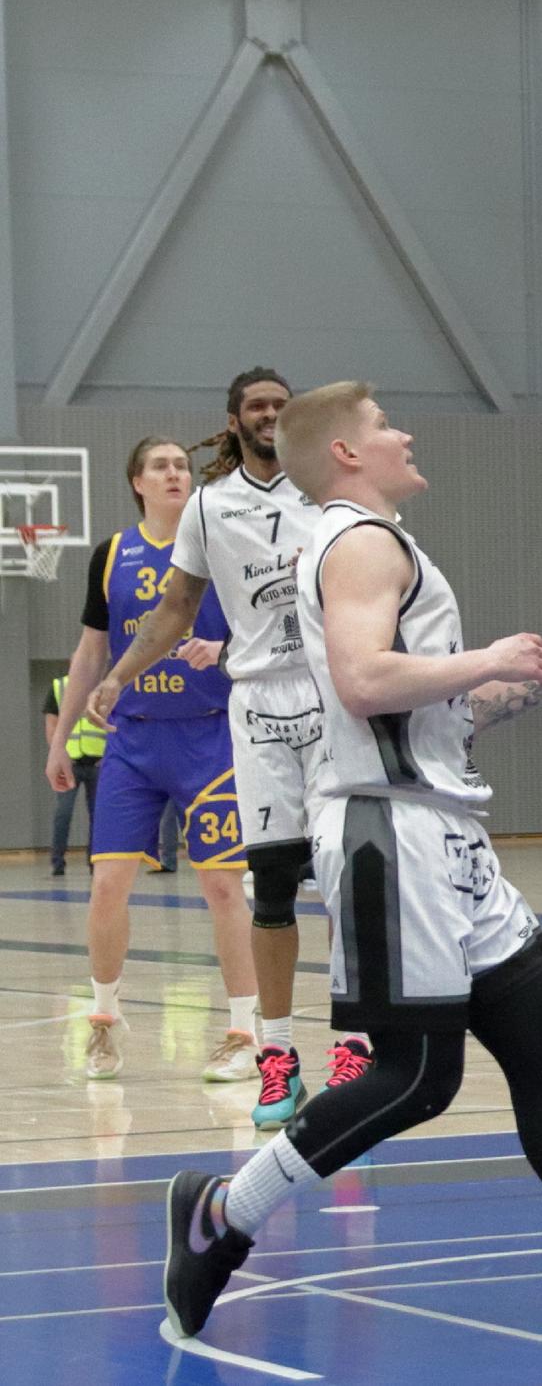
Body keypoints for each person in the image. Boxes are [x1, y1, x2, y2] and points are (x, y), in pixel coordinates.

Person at [160, 381, 542, 1338]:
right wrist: (487, 655)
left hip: (444, 831)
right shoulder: (359, 542)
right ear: (347, 453)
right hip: (391, 835)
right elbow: (363, 680)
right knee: (416, 1077)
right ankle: (223, 1210)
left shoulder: (381, 544)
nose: (404, 434)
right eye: (384, 424)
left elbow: (448, 711)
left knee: (540, 1044)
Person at [80, 369, 363, 1129]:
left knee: (341, 879)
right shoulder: (209, 507)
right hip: (253, 709)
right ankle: (275, 1057)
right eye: (256, 407)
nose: (269, 414)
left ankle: (354, 1044)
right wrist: (117, 677)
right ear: (235, 420)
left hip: (329, 696)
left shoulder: (332, 494)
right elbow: (175, 606)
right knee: (267, 887)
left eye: (280, 405)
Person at [42, 436, 258, 1086]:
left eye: (182, 465)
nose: (175, 473)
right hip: (132, 743)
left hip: (209, 738)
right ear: (137, 481)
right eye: (160, 465)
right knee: (108, 883)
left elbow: (259, 629)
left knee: (223, 886)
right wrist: (60, 740)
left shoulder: (221, 547)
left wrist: (222, 651)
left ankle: (243, 1032)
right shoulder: (111, 554)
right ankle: (104, 1019)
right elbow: (90, 652)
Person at [44, 673, 106, 877]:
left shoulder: (105, 687)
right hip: (69, 763)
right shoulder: (59, 686)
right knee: (63, 813)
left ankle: (95, 861)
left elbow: (117, 724)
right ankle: (57, 862)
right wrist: (57, 753)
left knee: (98, 815)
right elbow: (51, 724)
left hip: (98, 762)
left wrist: (110, 756)